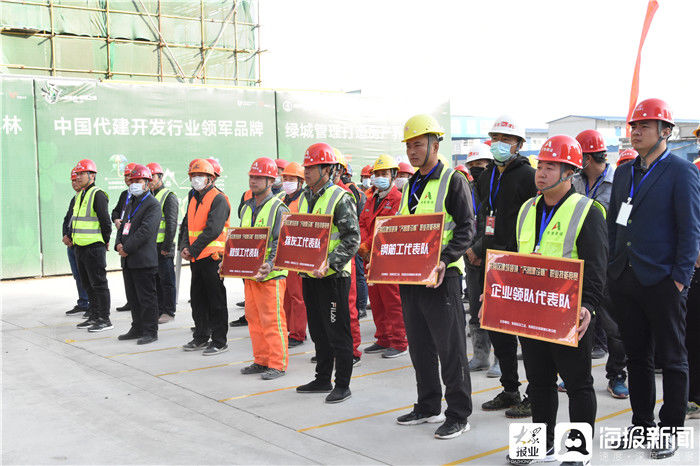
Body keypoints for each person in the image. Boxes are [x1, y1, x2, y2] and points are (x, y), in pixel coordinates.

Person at [505, 135, 607, 464]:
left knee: (578, 384)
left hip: (570, 315)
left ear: (570, 172)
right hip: (532, 313)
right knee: (538, 382)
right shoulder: (526, 209)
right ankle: (538, 444)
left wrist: (588, 306)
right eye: (541, 166)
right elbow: (514, 259)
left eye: (551, 167)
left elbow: (596, 267)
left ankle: (577, 451)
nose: (542, 173)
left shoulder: (588, 210)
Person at [607, 98, 700, 459]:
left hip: (663, 281)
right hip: (627, 279)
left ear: (665, 132)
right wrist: (616, 267)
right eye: (634, 126)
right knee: (637, 357)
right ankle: (642, 423)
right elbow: (615, 223)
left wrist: (680, 279)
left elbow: (690, 230)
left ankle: (670, 428)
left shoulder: (681, 172)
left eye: (645, 125)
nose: (636, 131)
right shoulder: (626, 172)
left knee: (673, 358)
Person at [395, 114, 475, 439]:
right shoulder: (411, 184)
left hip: (443, 279)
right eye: (409, 145)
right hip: (411, 279)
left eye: (418, 144)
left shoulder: (453, 180)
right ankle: (428, 405)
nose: (413, 151)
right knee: (419, 346)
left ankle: (458, 414)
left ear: (435, 144)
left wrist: (445, 259)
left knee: (450, 348)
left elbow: (468, 228)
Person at [470, 115, 536, 418]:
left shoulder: (529, 177)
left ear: (519, 145)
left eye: (506, 139)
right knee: (498, 328)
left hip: (520, 265)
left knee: (527, 332)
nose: (499, 144)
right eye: (495, 138)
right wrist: (479, 249)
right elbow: (485, 218)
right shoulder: (486, 177)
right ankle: (510, 389)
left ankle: (536, 393)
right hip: (493, 264)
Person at [295, 142, 360, 404]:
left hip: (333, 277)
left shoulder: (340, 198)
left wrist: (330, 263)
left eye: (312, 167)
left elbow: (352, 239)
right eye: (306, 167)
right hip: (310, 277)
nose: (307, 171)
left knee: (337, 331)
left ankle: (342, 384)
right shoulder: (302, 198)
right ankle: (322, 378)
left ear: (328, 169)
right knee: (319, 331)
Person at [571, 129, 629, 399]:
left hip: (608, 264)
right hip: (578, 262)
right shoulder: (573, 181)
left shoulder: (618, 181)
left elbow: (624, 222)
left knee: (613, 327)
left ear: (588, 157)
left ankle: (617, 374)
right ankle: (574, 374)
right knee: (581, 323)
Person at [237, 157, 290, 380]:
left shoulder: (279, 208)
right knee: (254, 318)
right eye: (252, 176)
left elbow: (281, 242)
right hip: (250, 276)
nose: (254, 181)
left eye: (259, 177)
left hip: (271, 276)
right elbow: (240, 240)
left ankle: (277, 364)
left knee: (272, 320)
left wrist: (269, 264)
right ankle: (261, 360)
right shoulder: (247, 207)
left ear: (270, 180)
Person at [358, 154, 408, 359]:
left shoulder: (397, 199)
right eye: (377, 174)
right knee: (376, 300)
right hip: (369, 258)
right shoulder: (371, 199)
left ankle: (399, 341)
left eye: (384, 173)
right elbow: (362, 222)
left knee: (392, 301)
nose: (380, 177)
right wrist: (362, 246)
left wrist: (367, 245)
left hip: (387, 258)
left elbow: (389, 228)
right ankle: (384, 338)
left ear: (393, 175)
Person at [180, 159, 231, 355]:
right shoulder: (193, 197)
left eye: (200, 176)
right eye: (193, 176)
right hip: (196, 258)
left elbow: (213, 230)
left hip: (212, 258)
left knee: (216, 301)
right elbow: (186, 225)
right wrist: (184, 246)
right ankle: (200, 336)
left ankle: (219, 341)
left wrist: (192, 250)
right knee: (198, 299)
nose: (196, 179)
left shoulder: (219, 199)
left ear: (211, 178)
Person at [463, 144, 499, 376]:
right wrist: (468, 250)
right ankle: (480, 355)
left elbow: (495, 224)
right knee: (475, 309)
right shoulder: (468, 189)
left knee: (495, 310)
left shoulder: (495, 190)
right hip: (470, 258)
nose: (477, 169)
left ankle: (500, 359)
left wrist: (479, 249)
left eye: (481, 165)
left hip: (491, 256)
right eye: (473, 165)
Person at [115, 164, 161, 345]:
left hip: (143, 259)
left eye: (138, 181)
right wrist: (118, 243)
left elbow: (145, 231)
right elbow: (122, 224)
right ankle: (137, 327)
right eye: (132, 181)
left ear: (147, 183)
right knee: (133, 297)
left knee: (146, 298)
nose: (134, 184)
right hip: (128, 260)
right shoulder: (130, 201)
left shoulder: (152, 205)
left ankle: (150, 330)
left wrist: (127, 248)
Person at [71, 159, 113, 332]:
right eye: (78, 173)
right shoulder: (79, 194)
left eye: (82, 173)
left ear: (92, 175)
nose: (78, 177)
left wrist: (105, 241)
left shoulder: (98, 194)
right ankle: (94, 315)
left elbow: (106, 222)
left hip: (94, 247)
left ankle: (104, 318)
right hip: (80, 247)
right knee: (87, 284)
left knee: (99, 284)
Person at [146, 162, 179, 324]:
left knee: (167, 280)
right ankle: (159, 310)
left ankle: (168, 311)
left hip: (163, 247)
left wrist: (167, 247)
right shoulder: (149, 196)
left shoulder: (168, 196)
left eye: (152, 177)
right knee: (155, 280)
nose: (149, 180)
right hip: (151, 246)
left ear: (160, 177)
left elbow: (171, 223)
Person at [281, 162, 308, 347]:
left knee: (297, 296)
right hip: (283, 253)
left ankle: (298, 333)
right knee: (285, 296)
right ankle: (288, 329)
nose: (287, 182)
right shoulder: (283, 199)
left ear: (300, 182)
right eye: (285, 179)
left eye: (291, 179)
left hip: (298, 254)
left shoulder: (304, 199)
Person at [63, 168, 91, 317]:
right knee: (78, 275)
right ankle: (83, 302)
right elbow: (67, 220)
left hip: (84, 244)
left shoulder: (91, 196)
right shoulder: (75, 199)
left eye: (78, 178)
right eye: (73, 180)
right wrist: (65, 236)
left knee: (87, 275)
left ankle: (92, 306)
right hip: (72, 244)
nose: (75, 182)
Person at [112, 162, 136, 313]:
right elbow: (115, 211)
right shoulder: (124, 194)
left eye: (130, 175)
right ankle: (130, 301)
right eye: (126, 175)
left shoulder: (144, 196)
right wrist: (116, 220)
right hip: (123, 235)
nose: (127, 178)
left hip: (135, 239)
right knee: (126, 273)